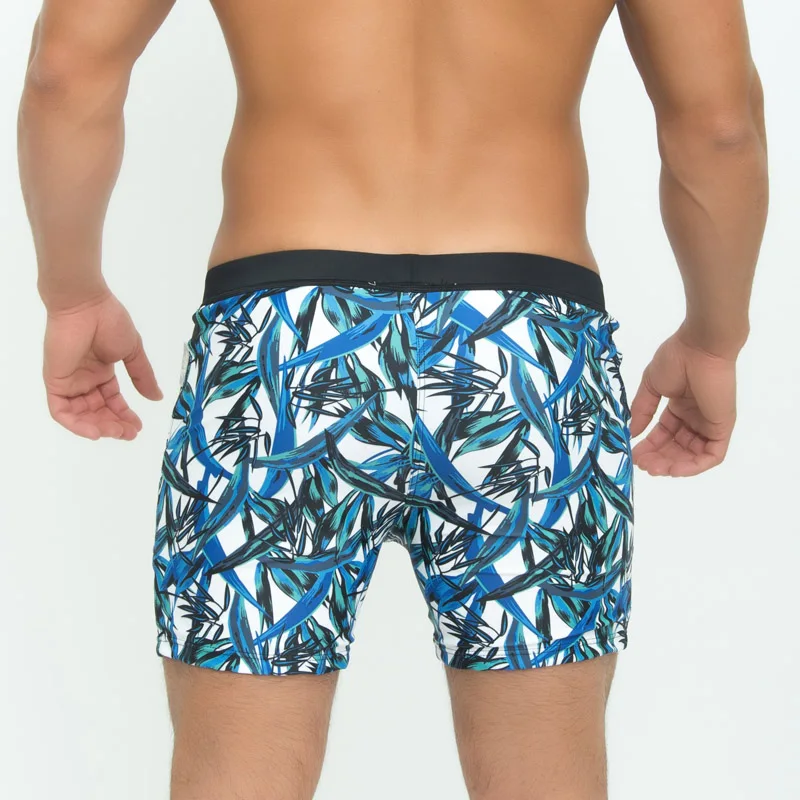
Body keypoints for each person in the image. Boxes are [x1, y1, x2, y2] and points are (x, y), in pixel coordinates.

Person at [18, 0, 767, 797]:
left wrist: (72, 293)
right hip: (523, 353)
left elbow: (66, 71)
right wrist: (713, 337)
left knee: (234, 773)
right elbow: (719, 125)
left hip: (284, 346)